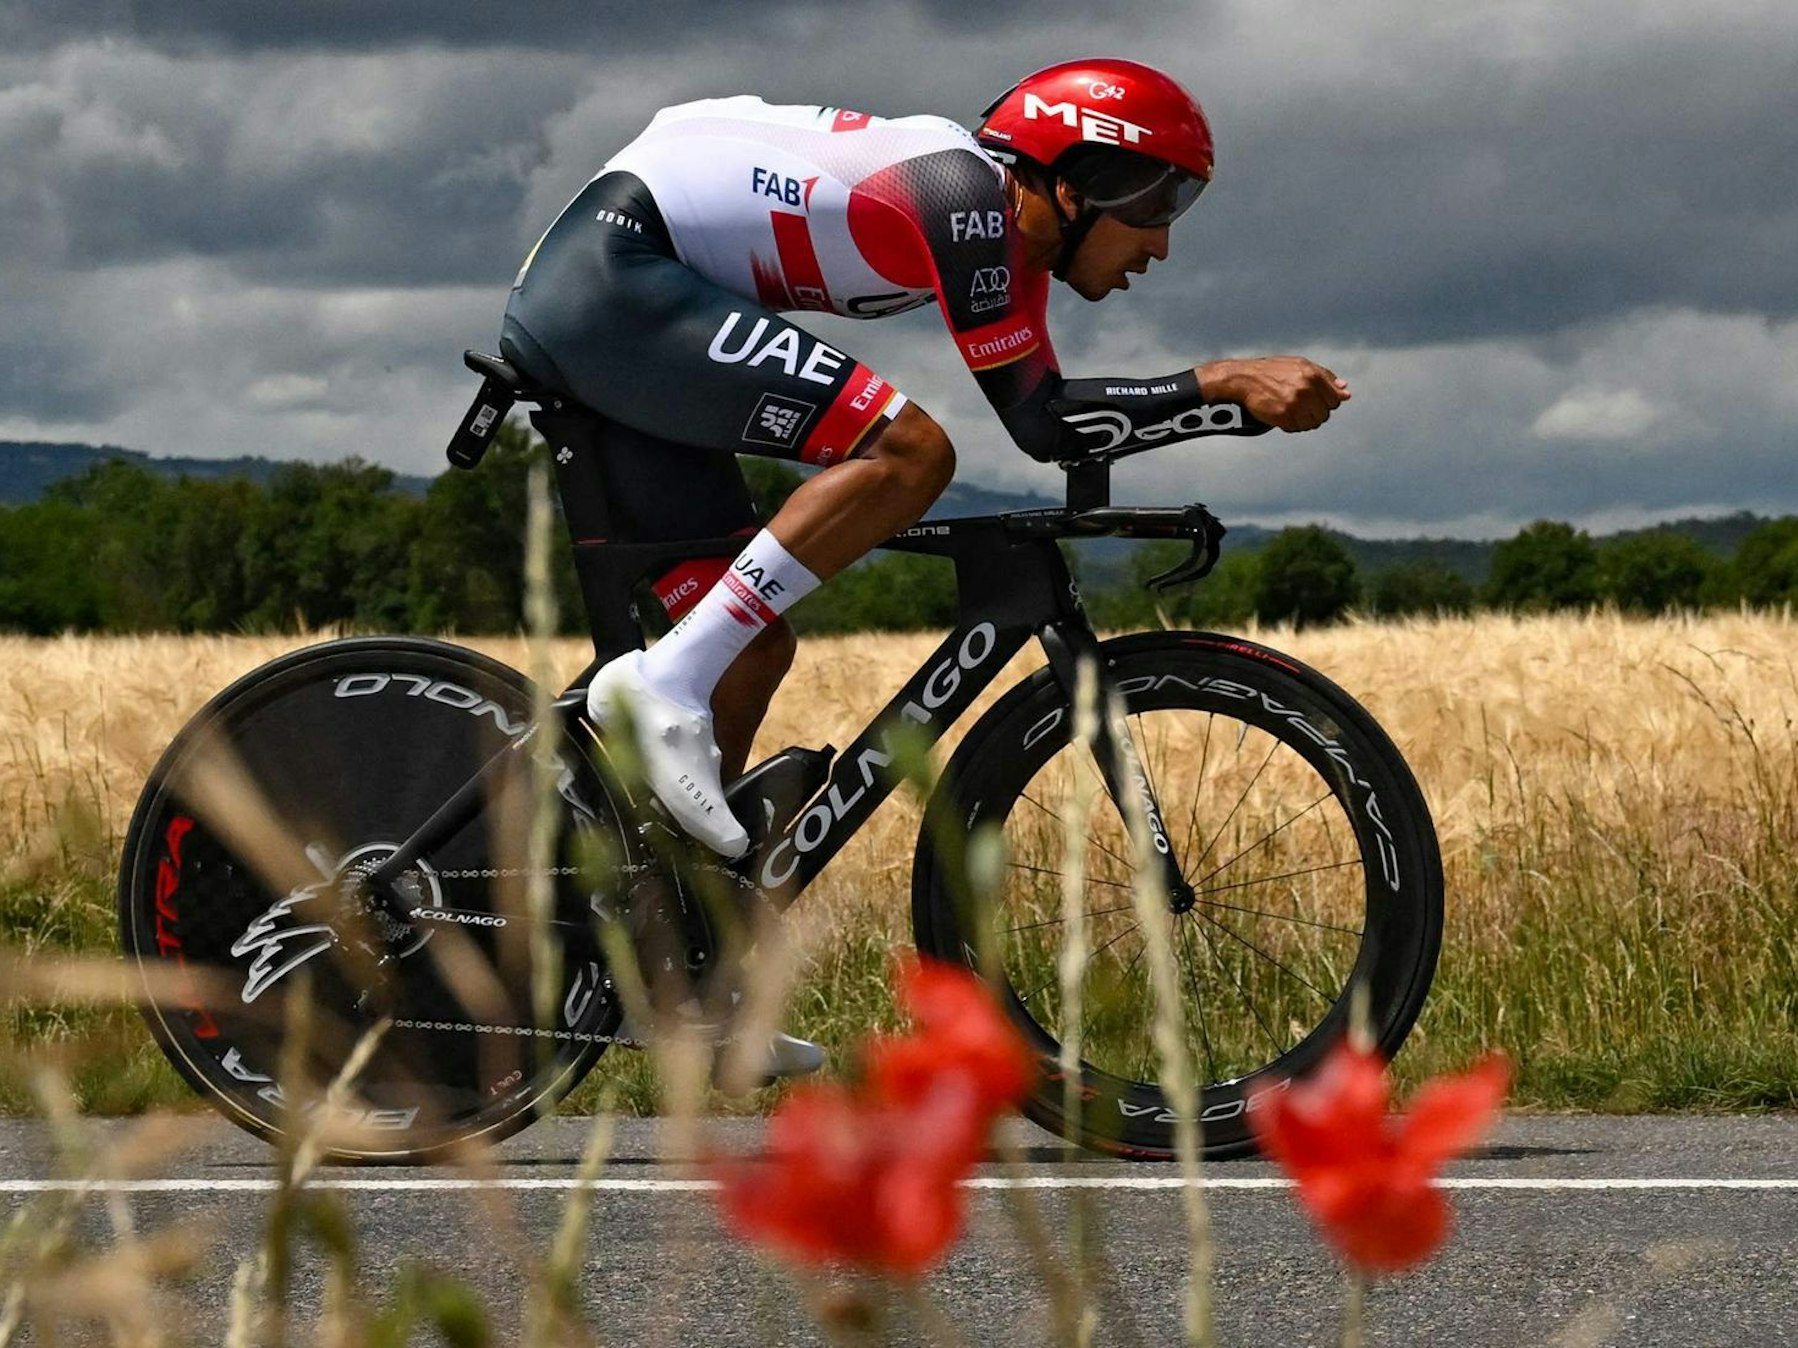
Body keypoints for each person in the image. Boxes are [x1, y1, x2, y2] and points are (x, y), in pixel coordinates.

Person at [500, 57, 1349, 860]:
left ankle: (662, 937)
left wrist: (1224, 403)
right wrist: (1223, 380)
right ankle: (659, 682)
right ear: (1077, 184)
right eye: (1157, 209)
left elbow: (1046, 427)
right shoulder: (962, 194)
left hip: (625, 302)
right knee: (910, 453)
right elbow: (1036, 421)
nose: (1160, 247)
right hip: (608, 282)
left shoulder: (1008, 242)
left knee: (749, 651)